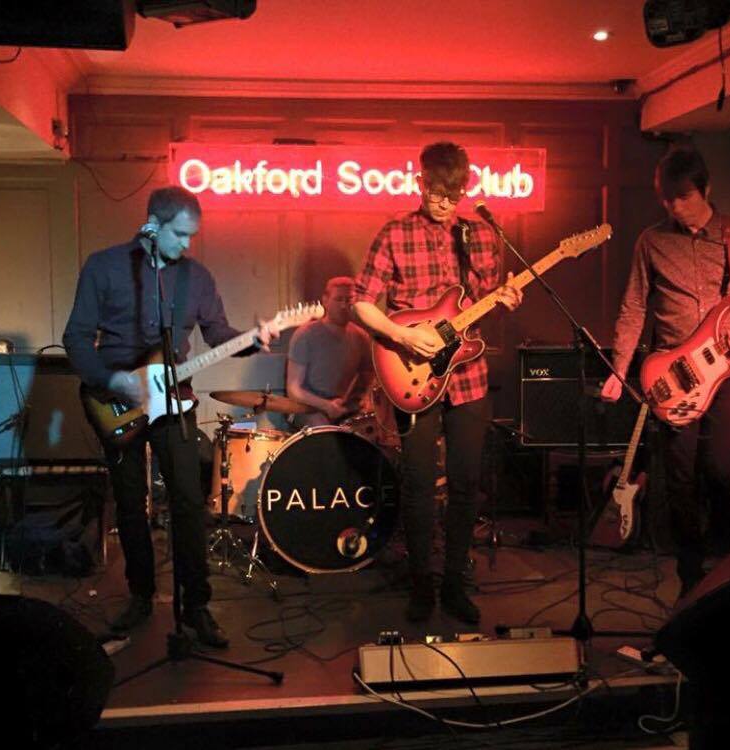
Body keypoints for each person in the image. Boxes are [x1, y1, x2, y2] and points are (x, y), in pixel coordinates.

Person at [63, 186, 279, 648]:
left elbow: (218, 332)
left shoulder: (195, 278)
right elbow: (76, 338)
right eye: (180, 234)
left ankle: (196, 604)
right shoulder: (104, 267)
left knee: (186, 499)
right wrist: (112, 379)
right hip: (115, 400)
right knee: (129, 502)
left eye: (192, 235)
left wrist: (256, 339)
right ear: (151, 225)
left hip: (174, 400)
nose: (187, 244)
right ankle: (141, 595)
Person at [353, 142, 522, 624]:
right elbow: (363, 301)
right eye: (436, 192)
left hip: (468, 374)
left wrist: (506, 296)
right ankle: (421, 586)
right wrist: (399, 333)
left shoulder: (480, 234)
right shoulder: (394, 233)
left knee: (468, 483)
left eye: (454, 195)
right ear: (420, 182)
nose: (445, 203)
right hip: (413, 370)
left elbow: (486, 297)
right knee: (419, 483)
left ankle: (455, 582)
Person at [600, 146, 730, 598]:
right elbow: (634, 306)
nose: (675, 207)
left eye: (683, 197)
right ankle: (691, 578)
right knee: (679, 479)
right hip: (673, 378)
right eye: (667, 199)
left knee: (722, 467)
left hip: (729, 373)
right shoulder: (651, 241)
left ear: (706, 189)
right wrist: (619, 369)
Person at [285, 277, 374, 430]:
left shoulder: (361, 337)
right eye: (339, 299)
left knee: (372, 432)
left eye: (349, 300)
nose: (344, 305)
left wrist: (364, 398)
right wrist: (326, 405)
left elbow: (367, 376)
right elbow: (293, 390)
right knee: (326, 433)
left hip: (344, 407)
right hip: (308, 408)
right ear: (325, 300)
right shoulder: (305, 335)